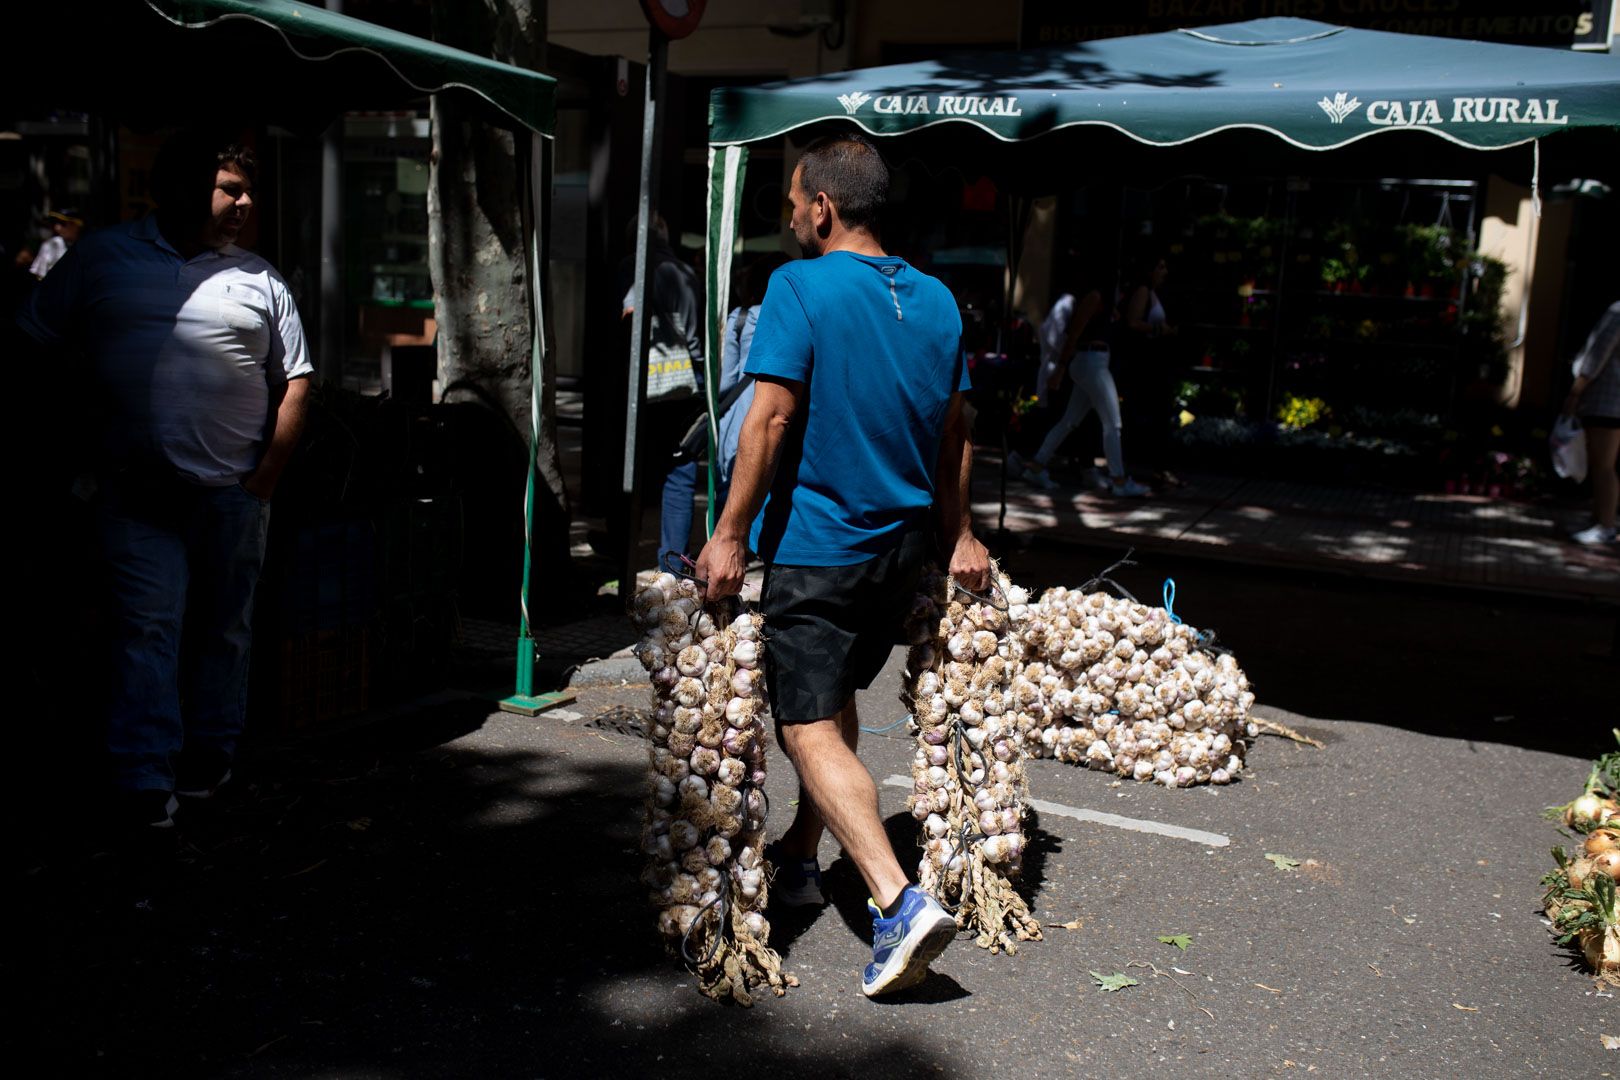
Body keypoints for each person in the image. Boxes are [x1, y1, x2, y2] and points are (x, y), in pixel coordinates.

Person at [695, 134, 989, 998]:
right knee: (834, 700)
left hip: (823, 550)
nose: (790, 217)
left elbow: (771, 419)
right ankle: (799, 852)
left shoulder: (798, 285)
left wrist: (729, 532)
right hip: (898, 557)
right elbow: (956, 433)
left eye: (792, 202)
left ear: (822, 207)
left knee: (805, 725)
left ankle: (897, 903)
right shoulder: (935, 300)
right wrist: (959, 535)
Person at [17, 131, 313, 833]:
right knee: (147, 627)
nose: (244, 202)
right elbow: (35, 341)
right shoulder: (101, 257)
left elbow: (296, 381)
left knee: (224, 627)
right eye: (229, 189)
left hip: (231, 492)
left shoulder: (262, 278)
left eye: (248, 191)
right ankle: (145, 773)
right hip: (132, 489)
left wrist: (264, 478)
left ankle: (210, 751)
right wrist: (78, 435)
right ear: (181, 191)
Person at [1008, 263, 1149, 497]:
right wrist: (1060, 368)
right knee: (1113, 423)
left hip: (1092, 362)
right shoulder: (1093, 296)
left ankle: (1037, 465)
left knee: (1069, 420)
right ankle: (1120, 480)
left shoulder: (1102, 301)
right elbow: (1073, 333)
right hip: (1090, 362)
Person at [616, 215, 708, 571]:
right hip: (685, 384)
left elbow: (630, 312)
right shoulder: (685, 272)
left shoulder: (633, 265)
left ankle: (625, 563)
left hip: (646, 385)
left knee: (634, 470)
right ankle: (674, 565)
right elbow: (695, 338)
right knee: (681, 473)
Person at [713, 252, 792, 495]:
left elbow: (725, 383)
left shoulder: (740, 318)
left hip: (740, 424)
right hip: (783, 423)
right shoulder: (795, 319)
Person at [1117, 250, 1182, 488]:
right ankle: (1130, 467)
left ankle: (1154, 467)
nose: (1164, 272)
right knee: (1143, 413)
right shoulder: (1143, 290)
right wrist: (1158, 330)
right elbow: (1132, 322)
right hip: (1144, 365)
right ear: (1150, 270)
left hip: (1153, 363)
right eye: (1160, 266)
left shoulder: (1153, 293)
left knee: (1154, 414)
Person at [1564, 300, 1620, 545]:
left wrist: (1575, 392)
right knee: (1604, 465)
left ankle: (1605, 525)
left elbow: (1596, 354)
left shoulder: (1618, 311)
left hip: (1607, 399)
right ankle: (1599, 519)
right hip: (1614, 401)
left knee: (1603, 465)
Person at [29, 208, 83, 279]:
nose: (57, 227)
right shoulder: (51, 244)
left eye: (63, 223)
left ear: (76, 225)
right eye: (56, 223)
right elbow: (40, 276)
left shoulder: (89, 247)